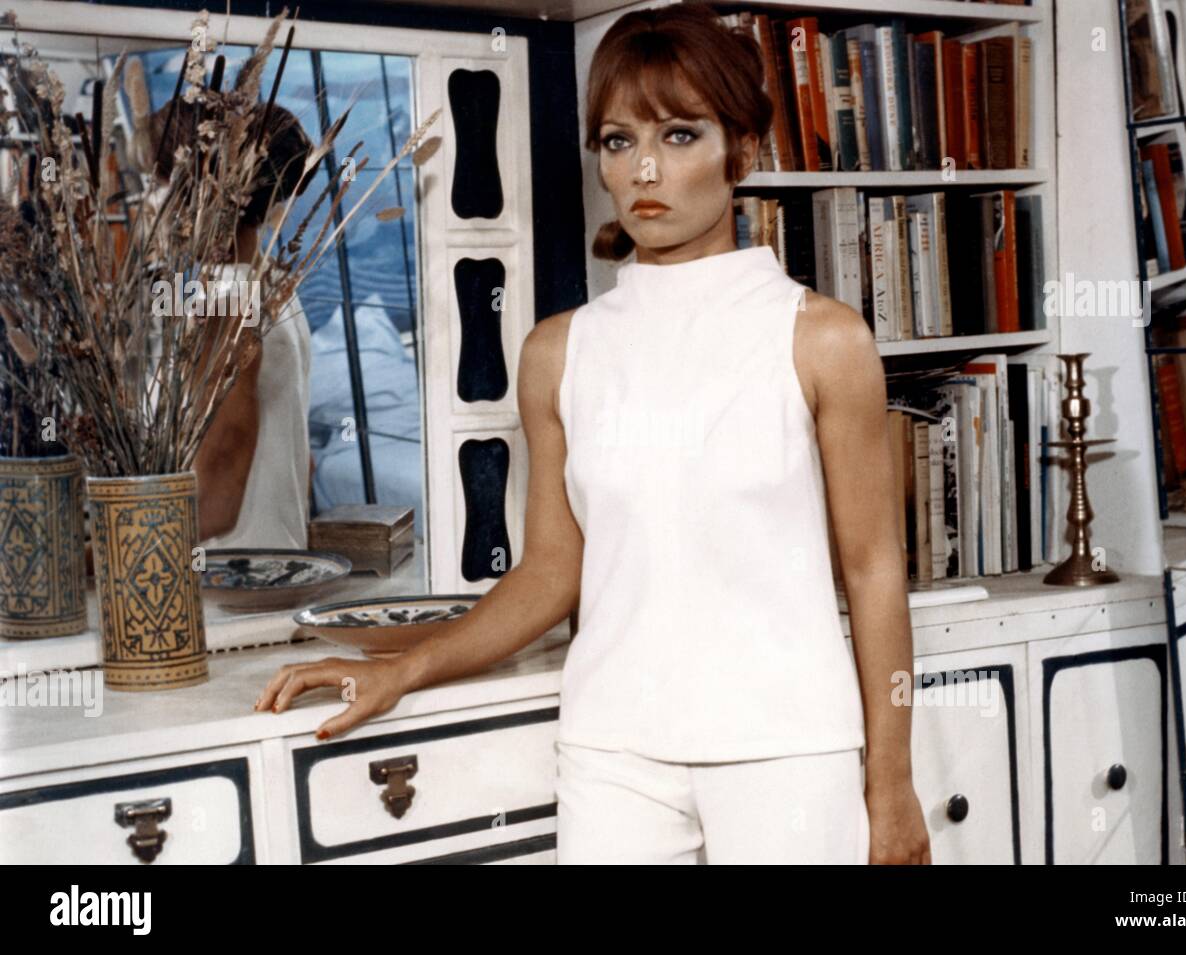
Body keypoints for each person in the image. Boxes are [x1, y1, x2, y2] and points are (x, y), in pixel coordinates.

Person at [255, 4, 930, 865]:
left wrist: (891, 782)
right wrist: (401, 667)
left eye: (680, 135)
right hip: (612, 751)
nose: (644, 168)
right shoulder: (558, 352)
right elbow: (550, 571)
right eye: (618, 140)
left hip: (789, 749)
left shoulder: (824, 340)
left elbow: (874, 569)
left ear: (743, 151)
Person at [146, 98, 317, 551]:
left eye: (158, 184)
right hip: (267, 567)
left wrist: (102, 553)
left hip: (221, 581)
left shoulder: (224, 305)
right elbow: (304, 463)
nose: (152, 203)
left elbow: (216, 501)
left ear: (191, 195)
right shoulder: (271, 284)